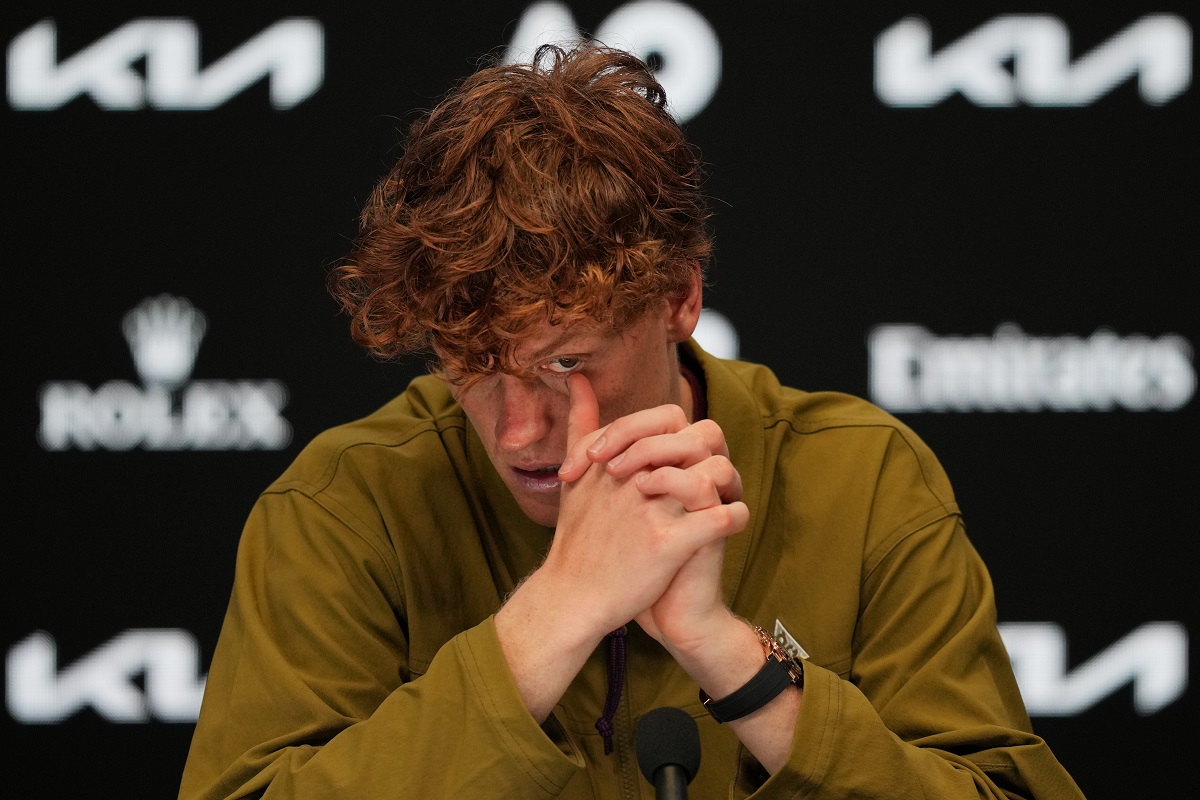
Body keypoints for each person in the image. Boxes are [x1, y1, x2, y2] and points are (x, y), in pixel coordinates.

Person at [178, 42, 1086, 799]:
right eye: (474, 370)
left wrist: (730, 656)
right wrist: (553, 616)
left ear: (679, 298)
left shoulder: (863, 477)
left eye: (565, 364)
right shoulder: (344, 506)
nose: (519, 433)